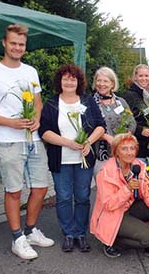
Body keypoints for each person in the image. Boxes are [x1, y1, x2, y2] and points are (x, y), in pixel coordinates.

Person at [0, 23, 54, 260]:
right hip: (6, 141)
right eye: (13, 43)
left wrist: (37, 120)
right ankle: (17, 237)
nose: (17, 47)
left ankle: (31, 230)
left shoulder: (30, 71)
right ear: (4, 43)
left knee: (41, 187)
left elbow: (38, 103)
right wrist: (9, 123)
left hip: (32, 139)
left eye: (21, 44)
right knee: (13, 191)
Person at [39, 64, 105, 253]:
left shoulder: (87, 101)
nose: (69, 81)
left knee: (83, 197)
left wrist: (88, 142)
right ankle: (68, 233)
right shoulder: (52, 103)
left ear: (79, 81)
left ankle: (80, 233)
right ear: (60, 81)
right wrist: (67, 143)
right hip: (61, 160)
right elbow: (44, 131)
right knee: (64, 197)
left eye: (73, 78)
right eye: (65, 78)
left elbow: (100, 126)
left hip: (84, 159)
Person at [90, 133, 149, 262]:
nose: (129, 152)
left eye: (132, 148)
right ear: (116, 152)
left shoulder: (139, 165)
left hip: (131, 206)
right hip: (114, 213)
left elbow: (146, 187)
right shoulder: (106, 172)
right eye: (124, 149)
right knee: (148, 237)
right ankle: (112, 241)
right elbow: (109, 204)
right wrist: (127, 189)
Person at [91, 66, 136, 171]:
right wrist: (106, 137)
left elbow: (132, 122)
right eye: (99, 81)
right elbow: (89, 127)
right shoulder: (90, 103)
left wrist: (125, 137)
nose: (101, 84)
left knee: (123, 186)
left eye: (105, 81)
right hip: (101, 156)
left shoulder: (121, 102)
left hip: (122, 153)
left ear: (112, 84)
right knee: (104, 186)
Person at [122, 64, 149, 163]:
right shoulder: (130, 95)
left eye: (146, 76)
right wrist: (140, 130)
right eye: (141, 76)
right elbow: (125, 120)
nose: (144, 79)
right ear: (135, 77)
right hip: (138, 147)